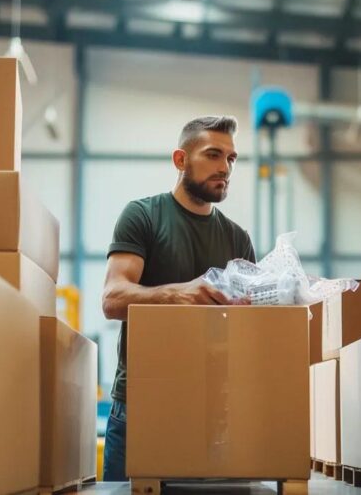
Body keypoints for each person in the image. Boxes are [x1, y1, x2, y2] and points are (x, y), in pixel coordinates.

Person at [100, 115, 255, 482]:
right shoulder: (143, 216)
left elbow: (251, 328)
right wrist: (179, 293)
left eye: (231, 159)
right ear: (180, 160)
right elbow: (112, 299)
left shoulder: (238, 240)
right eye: (214, 154)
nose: (225, 167)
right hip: (140, 406)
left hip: (212, 415)